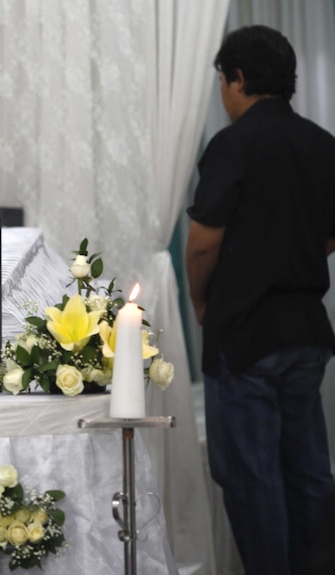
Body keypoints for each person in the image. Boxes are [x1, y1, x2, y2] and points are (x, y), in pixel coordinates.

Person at [185, 25, 335, 575]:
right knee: (308, 472)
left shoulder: (233, 144)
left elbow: (202, 245)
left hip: (245, 334)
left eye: (223, 82)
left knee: (252, 480)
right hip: (305, 333)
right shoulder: (322, 144)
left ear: (238, 79)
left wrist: (202, 303)